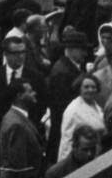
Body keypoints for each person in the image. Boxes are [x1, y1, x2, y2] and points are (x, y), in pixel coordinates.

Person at [0, 35, 44, 159]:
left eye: (23, 52)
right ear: (6, 54)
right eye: (16, 53)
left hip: (26, 134)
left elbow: (41, 105)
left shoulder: (36, 77)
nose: (20, 56)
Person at [45, 28, 91, 161]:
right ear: (71, 49)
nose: (85, 53)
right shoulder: (62, 73)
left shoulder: (69, 66)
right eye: (82, 49)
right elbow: (62, 108)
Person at [0, 79, 43, 178]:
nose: (34, 93)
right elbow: (19, 166)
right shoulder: (16, 125)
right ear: (19, 96)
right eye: (30, 91)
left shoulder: (16, 117)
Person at [57, 75, 105, 164]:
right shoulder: (73, 110)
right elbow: (67, 141)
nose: (90, 90)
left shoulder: (95, 105)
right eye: (86, 87)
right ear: (79, 88)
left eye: (93, 87)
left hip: (96, 154)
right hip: (81, 159)